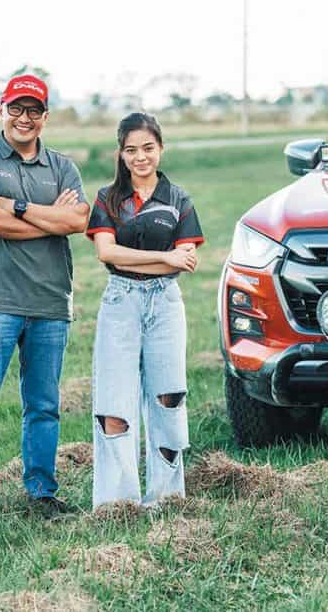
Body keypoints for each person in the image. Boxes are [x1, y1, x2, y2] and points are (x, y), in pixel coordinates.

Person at [0, 74, 90, 518]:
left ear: (45, 116)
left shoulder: (62, 167)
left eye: (34, 110)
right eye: (16, 108)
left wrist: (18, 206)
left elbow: (78, 222)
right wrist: (49, 221)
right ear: (1, 111)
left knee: (44, 407)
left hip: (50, 303)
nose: (24, 118)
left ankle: (42, 494)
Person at [86, 112, 204, 509]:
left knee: (168, 397)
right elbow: (107, 253)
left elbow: (186, 259)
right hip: (120, 302)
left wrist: (163, 261)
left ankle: (166, 497)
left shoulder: (179, 199)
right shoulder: (107, 199)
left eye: (148, 148)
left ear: (161, 148)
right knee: (114, 404)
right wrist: (164, 257)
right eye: (131, 150)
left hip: (165, 304)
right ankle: (117, 504)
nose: (140, 157)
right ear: (121, 154)